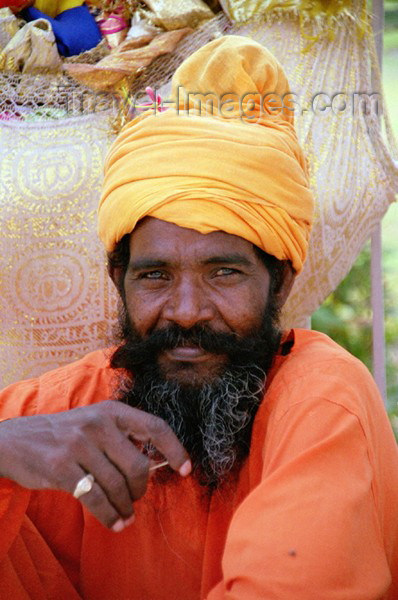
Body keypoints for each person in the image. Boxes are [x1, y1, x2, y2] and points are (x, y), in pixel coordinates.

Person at [0, 35, 397, 600]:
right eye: (155, 276)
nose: (185, 313)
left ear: (280, 281)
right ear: (120, 281)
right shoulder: (61, 410)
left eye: (223, 273)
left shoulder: (322, 400)